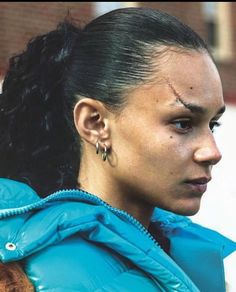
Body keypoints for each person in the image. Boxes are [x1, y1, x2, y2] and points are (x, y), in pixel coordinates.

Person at [0, 7, 235, 292]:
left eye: (213, 125)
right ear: (95, 123)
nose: (212, 152)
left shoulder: (185, 255)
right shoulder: (50, 279)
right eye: (183, 123)